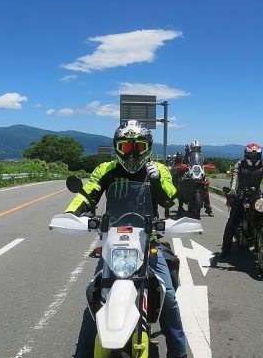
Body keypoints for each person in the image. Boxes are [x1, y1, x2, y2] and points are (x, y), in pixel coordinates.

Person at [66, 120, 187, 358]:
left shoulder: (158, 170)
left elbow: (170, 200)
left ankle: (179, 354)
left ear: (148, 148)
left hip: (148, 241)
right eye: (126, 147)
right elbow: (88, 194)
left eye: (139, 147)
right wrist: (71, 214)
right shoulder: (106, 169)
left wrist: (155, 181)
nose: (133, 153)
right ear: (117, 148)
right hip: (114, 242)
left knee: (168, 297)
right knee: (95, 296)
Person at [219, 142, 263, 259]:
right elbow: (235, 178)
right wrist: (233, 190)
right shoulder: (240, 164)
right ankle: (225, 248)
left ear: (260, 155)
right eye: (251, 155)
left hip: (256, 195)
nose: (254, 158)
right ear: (246, 155)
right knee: (232, 220)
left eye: (256, 155)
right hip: (241, 194)